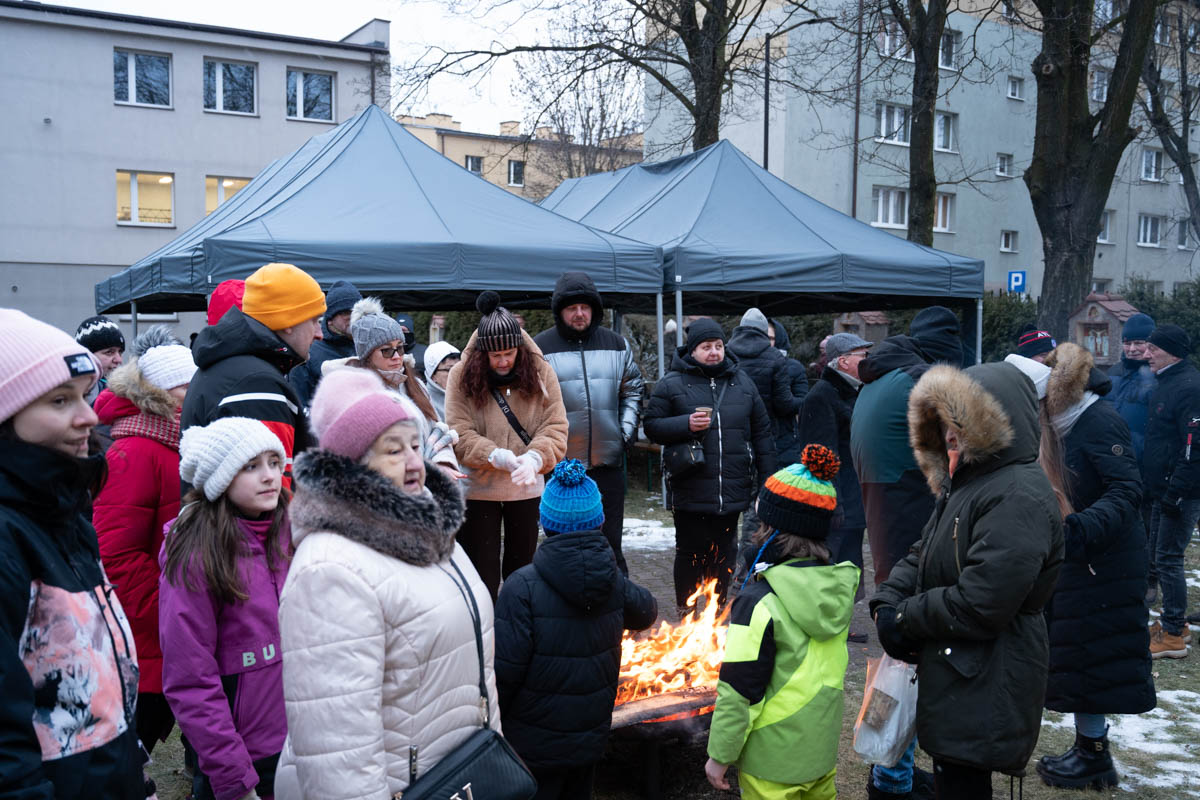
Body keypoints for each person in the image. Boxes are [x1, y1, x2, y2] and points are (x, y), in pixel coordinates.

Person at [275, 367, 497, 800]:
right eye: (393, 451)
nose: (416, 462)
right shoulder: (331, 569)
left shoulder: (431, 529)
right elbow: (336, 746)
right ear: (357, 467)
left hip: (458, 775)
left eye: (416, 445)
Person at [871, 361, 1064, 799]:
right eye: (941, 424)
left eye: (958, 424)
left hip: (991, 666)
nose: (948, 435)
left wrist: (904, 618)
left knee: (964, 780)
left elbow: (984, 600)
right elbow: (924, 551)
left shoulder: (1016, 494)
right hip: (960, 663)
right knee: (953, 773)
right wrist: (888, 600)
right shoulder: (969, 481)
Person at [0, 309, 144, 799]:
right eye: (61, 400)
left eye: (85, 395)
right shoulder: (8, 535)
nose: (89, 415)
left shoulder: (63, 511)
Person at [1015, 344, 1154, 790]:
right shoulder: (1061, 422)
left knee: (1092, 658)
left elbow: (1128, 490)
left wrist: (1080, 528)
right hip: (1081, 554)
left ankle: (1095, 758)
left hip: (1105, 558)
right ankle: (1090, 750)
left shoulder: (1096, 419)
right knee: (1079, 657)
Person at [494, 459, 657, 800]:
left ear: (545, 523)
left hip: (531, 746)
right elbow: (647, 612)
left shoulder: (521, 587)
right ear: (599, 521)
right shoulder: (612, 581)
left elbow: (504, 675)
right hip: (590, 738)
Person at [850, 305, 962, 800]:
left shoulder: (880, 376)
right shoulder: (922, 380)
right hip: (913, 518)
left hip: (886, 518)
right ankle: (890, 775)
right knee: (908, 656)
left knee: (893, 652)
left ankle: (887, 767)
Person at [705, 445, 859, 800]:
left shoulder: (757, 603)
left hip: (771, 763)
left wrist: (719, 755)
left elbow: (739, 691)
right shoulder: (837, 590)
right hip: (819, 755)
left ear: (772, 529)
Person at [160, 418, 291, 800]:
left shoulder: (291, 530)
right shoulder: (197, 552)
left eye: (272, 461)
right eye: (251, 466)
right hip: (247, 754)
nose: (268, 476)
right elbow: (190, 677)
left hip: (301, 742)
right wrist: (234, 778)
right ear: (220, 478)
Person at [93, 327, 197, 757]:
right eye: (185, 387)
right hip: (150, 635)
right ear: (161, 393)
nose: (195, 395)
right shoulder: (135, 450)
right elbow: (115, 555)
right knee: (131, 750)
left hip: (170, 628)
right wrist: (171, 610)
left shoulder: (176, 441)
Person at [643, 318, 776, 609]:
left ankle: (714, 617)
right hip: (690, 485)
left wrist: (767, 481)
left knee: (724, 554)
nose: (714, 352)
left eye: (718, 346)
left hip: (732, 487)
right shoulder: (672, 383)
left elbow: (763, 435)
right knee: (691, 553)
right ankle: (687, 614)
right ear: (692, 350)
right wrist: (685, 423)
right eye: (706, 347)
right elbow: (651, 425)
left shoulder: (742, 383)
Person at [447, 291, 568, 599]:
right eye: (495, 356)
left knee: (522, 571)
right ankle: (486, 635)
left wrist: (534, 459)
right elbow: (457, 430)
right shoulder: (461, 375)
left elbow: (555, 426)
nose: (503, 361)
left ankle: (518, 632)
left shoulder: (541, 371)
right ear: (481, 354)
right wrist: (494, 455)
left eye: (509, 354)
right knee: (481, 571)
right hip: (479, 488)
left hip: (526, 486)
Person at [534, 272, 646, 573]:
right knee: (562, 545)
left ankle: (614, 611)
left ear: (595, 309)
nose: (580, 313)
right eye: (572, 308)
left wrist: (624, 432)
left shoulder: (617, 344)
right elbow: (530, 402)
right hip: (559, 467)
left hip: (608, 465)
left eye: (585, 307)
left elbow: (633, 388)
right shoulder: (539, 348)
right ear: (560, 311)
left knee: (610, 546)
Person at [183, 262, 326, 486]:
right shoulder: (258, 383)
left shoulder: (235, 367)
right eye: (315, 320)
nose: (320, 334)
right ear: (289, 321)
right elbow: (273, 491)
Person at [324, 297, 460, 473]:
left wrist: (444, 464)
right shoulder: (354, 395)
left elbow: (437, 432)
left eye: (400, 347)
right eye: (387, 350)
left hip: (428, 488)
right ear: (367, 355)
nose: (397, 356)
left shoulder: (416, 385)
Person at [727, 308, 805, 582]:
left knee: (733, 507)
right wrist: (805, 402)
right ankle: (745, 569)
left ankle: (728, 569)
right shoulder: (774, 358)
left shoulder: (726, 354)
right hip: (766, 442)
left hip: (732, 442)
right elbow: (785, 403)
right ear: (764, 334)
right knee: (758, 508)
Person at [797, 333, 871, 607]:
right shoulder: (822, 396)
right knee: (831, 563)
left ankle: (842, 617)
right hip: (837, 502)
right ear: (843, 361)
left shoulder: (856, 391)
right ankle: (825, 617)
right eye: (862, 356)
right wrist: (833, 503)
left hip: (855, 497)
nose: (867, 361)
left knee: (849, 563)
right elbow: (818, 456)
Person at [1142, 323, 1200, 657]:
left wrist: (1176, 493)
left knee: (1168, 559)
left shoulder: (1190, 387)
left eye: (1153, 348)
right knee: (1160, 556)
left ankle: (1175, 633)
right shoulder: (1169, 381)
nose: (1146, 354)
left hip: (1179, 492)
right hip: (1161, 489)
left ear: (1172, 351)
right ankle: (1174, 621)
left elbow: (1193, 449)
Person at [1105, 313, 1158, 602]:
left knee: (1148, 526)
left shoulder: (1159, 375)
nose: (1133, 348)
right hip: (1113, 463)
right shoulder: (1111, 373)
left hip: (1145, 465)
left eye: (1139, 342)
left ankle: (1150, 579)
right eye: (1128, 342)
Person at [287, 279, 361, 411]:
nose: (352, 316)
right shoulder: (308, 352)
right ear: (330, 319)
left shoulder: (369, 347)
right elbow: (299, 405)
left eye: (356, 311)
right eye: (345, 312)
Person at [767, 318, 810, 465]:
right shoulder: (741, 365)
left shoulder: (794, 368)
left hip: (784, 441)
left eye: (771, 338)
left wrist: (782, 398)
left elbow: (803, 403)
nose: (766, 342)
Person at [75, 314, 126, 404]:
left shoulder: (118, 391)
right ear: (87, 355)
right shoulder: (68, 392)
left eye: (120, 352)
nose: (119, 360)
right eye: (109, 352)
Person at [423, 340, 461, 420]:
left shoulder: (470, 395)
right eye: (449, 370)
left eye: (459, 369)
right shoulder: (424, 403)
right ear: (433, 376)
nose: (457, 375)